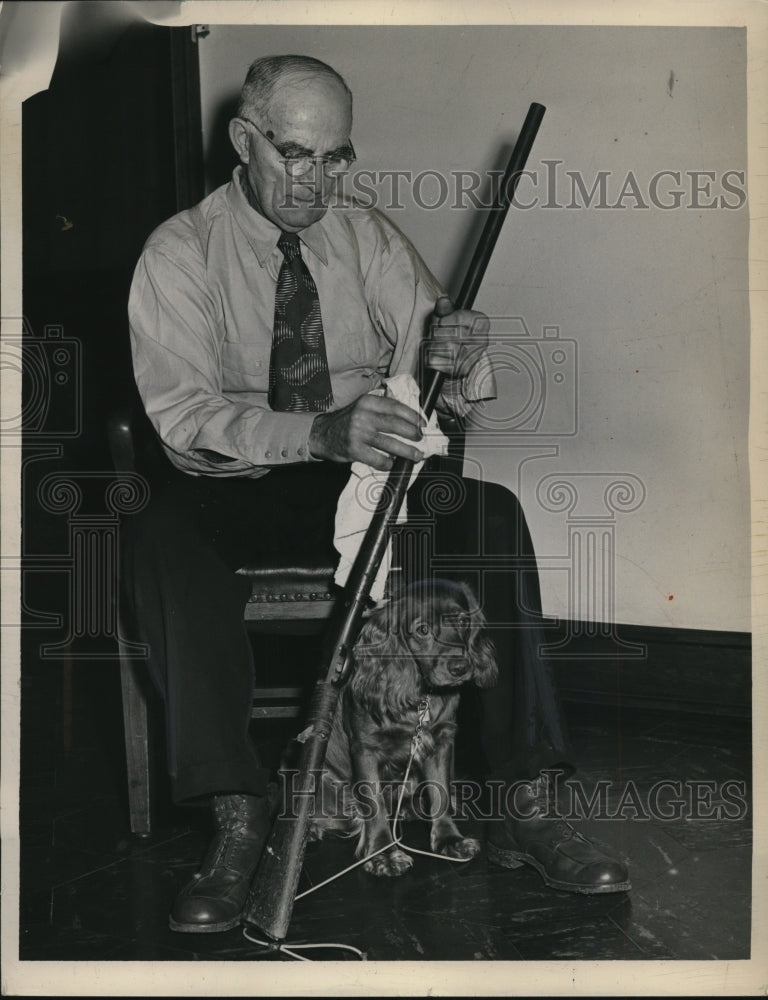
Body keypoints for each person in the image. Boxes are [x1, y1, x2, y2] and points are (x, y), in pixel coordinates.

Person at [125, 54, 630, 935]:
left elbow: (450, 371)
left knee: (491, 516)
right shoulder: (179, 252)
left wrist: (466, 355)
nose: (316, 182)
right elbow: (185, 419)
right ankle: (237, 816)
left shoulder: (363, 234)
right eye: (294, 155)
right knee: (164, 541)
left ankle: (523, 797)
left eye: (335, 158)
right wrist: (316, 431)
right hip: (251, 474)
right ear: (245, 141)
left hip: (373, 474)